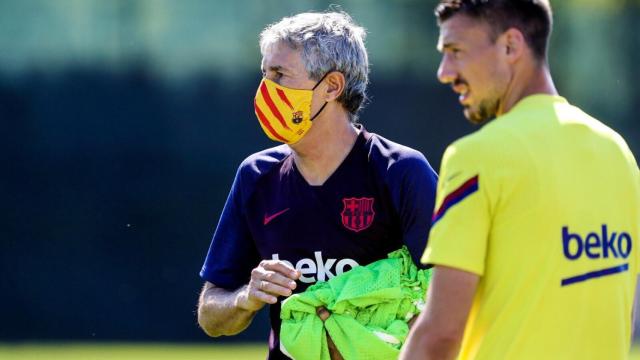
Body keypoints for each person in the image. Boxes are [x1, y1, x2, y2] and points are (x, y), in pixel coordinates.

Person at [400, 1, 640, 359]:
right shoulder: (617, 152)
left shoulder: (476, 158)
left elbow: (441, 335)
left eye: (456, 52)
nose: (444, 72)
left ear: (511, 46)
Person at [196, 11, 438, 359]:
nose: (266, 90)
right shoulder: (257, 175)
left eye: (280, 75)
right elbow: (211, 316)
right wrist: (247, 296)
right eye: (265, 75)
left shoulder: (400, 170)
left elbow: (453, 296)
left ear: (332, 86)